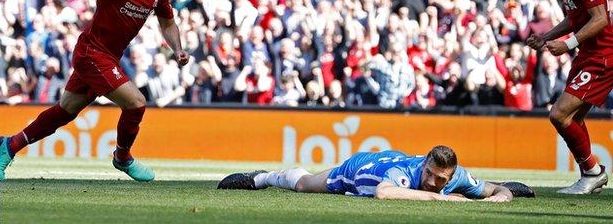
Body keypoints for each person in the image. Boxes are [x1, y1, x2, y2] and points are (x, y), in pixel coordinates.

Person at [0, 0, 190, 182]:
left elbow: (167, 23)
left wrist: (178, 48)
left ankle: (11, 145)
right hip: (91, 53)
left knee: (65, 111)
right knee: (136, 103)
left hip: (109, 57)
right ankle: (122, 157)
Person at [527, 0, 610, 194]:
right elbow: (576, 18)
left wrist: (568, 44)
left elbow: (600, 19)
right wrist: (547, 36)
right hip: (589, 52)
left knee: (559, 114)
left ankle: (592, 172)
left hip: (602, 55)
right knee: (572, 118)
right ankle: (591, 174)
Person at [217, 145, 515, 202]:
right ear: (424, 164)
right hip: (360, 170)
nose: (432, 182)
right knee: (306, 185)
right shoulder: (405, 174)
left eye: (441, 180)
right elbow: (383, 192)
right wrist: (445, 199)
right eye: (430, 174)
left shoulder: (459, 176)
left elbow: (495, 189)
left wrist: (503, 194)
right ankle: (263, 177)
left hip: (385, 161)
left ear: (451, 177)